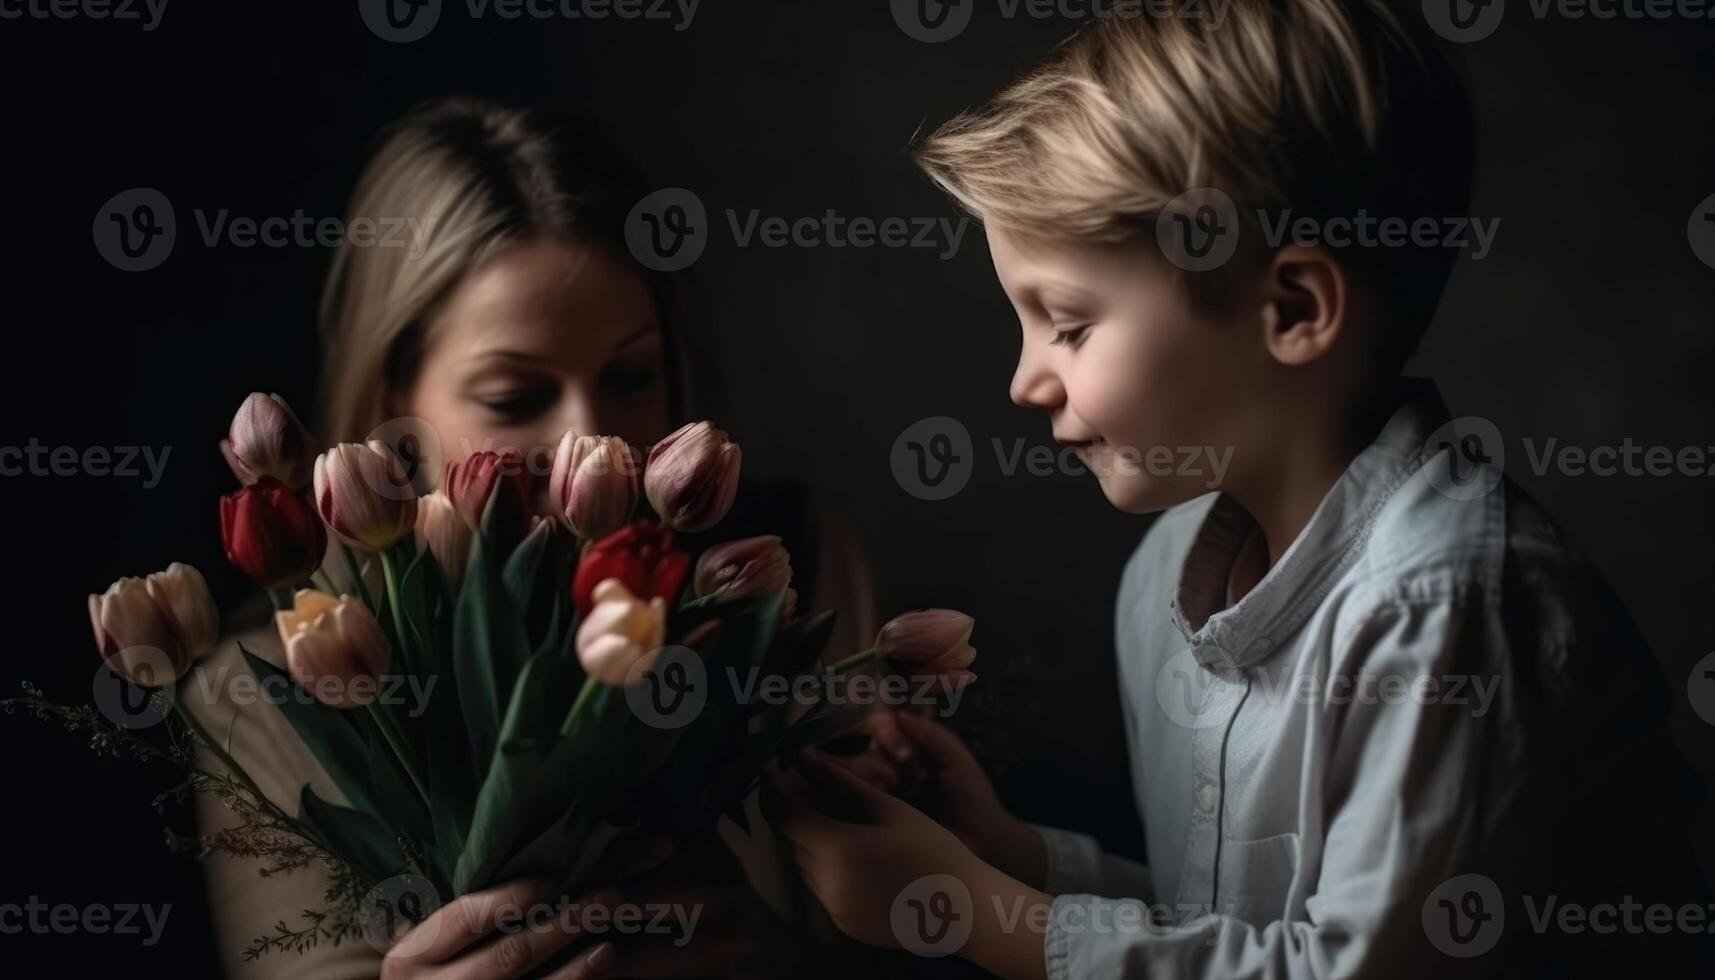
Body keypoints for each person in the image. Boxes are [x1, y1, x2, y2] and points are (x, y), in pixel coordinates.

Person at [768, 3, 1710, 978]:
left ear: (1292, 308)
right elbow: (1231, 928)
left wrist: (977, 913)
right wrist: (1009, 857)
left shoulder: (1443, 606)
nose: (1023, 380)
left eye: (1068, 323)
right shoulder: (1165, 573)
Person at [189, 95, 903, 978]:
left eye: (631, 377)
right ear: (392, 402)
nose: (584, 440)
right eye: (514, 398)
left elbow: (902, 939)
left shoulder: (776, 570)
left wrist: (777, 962)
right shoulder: (267, 681)